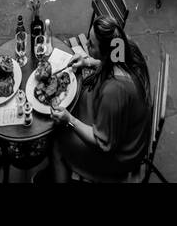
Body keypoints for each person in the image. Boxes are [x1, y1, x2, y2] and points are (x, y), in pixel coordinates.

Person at [51, 16, 151, 182]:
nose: (87, 46)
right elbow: (112, 62)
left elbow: (104, 144)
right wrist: (88, 61)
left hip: (120, 154)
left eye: (91, 44)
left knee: (57, 140)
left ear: (105, 51)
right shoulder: (124, 49)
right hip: (121, 124)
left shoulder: (114, 91)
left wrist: (70, 120)